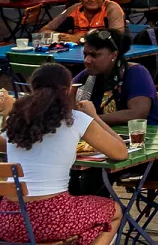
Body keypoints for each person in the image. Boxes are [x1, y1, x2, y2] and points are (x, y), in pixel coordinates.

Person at [0, 64, 128, 245]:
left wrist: (8, 113)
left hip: (8, 221)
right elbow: (121, 152)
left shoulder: (17, 121)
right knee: (114, 210)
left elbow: (7, 145)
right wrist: (95, 116)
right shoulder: (75, 118)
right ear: (68, 90)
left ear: (32, 88)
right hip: (53, 218)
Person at [75, 28, 158, 127]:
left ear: (114, 55)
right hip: (106, 134)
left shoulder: (136, 73)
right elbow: (65, 99)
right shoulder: (87, 75)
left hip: (144, 133)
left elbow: (136, 114)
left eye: (94, 55)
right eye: (85, 54)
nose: (87, 60)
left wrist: (92, 119)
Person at [42, 0, 124, 35]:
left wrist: (82, 38)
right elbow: (44, 30)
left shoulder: (112, 8)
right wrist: (63, 36)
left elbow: (117, 35)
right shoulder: (73, 9)